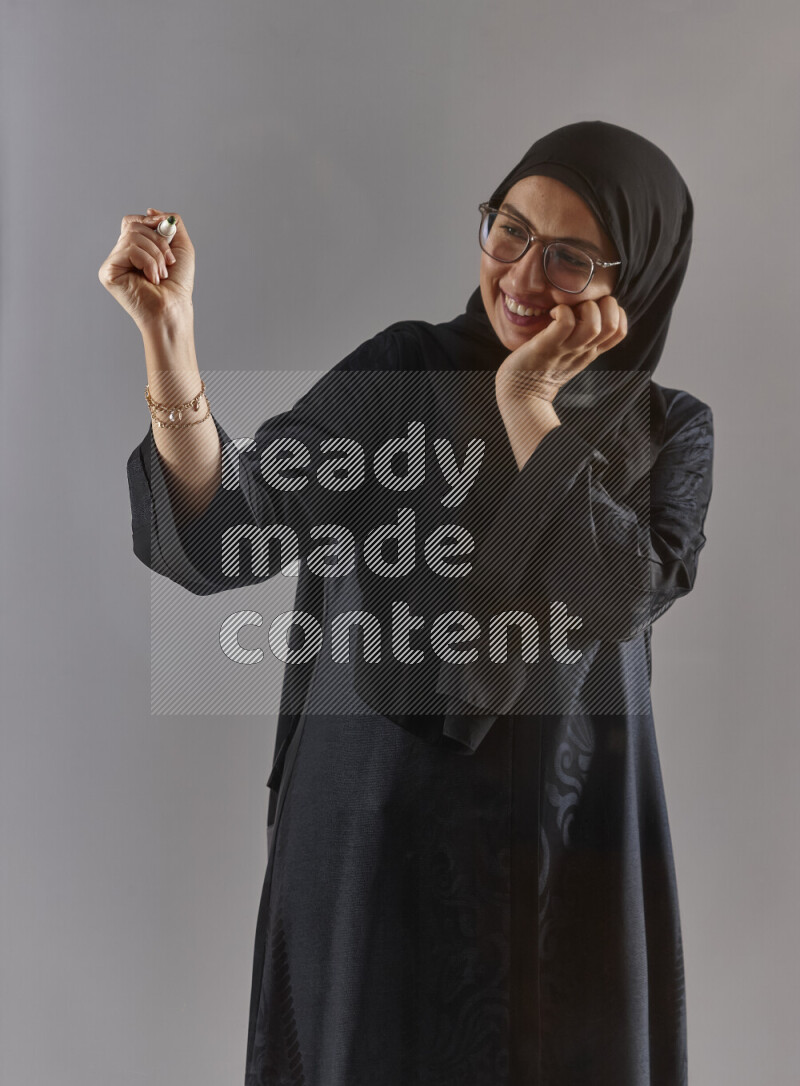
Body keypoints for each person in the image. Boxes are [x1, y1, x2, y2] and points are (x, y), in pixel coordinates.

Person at [100, 120, 714, 1086]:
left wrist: (527, 407)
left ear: (629, 284)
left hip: (563, 852)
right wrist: (168, 342)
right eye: (508, 229)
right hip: (373, 835)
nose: (520, 274)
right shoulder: (404, 374)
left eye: (568, 256)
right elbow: (227, 533)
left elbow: (619, 593)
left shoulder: (668, 430)